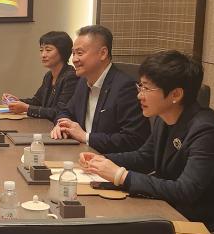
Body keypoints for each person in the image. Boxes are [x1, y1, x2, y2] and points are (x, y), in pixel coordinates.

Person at [80, 51, 214, 234]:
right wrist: (102, 160)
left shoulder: (207, 131)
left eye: (147, 88)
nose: (139, 95)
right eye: (140, 86)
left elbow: (185, 190)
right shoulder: (166, 118)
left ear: (176, 94)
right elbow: (145, 157)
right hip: (178, 216)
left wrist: (121, 176)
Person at [50, 25, 150, 153]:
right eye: (73, 53)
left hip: (108, 159)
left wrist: (86, 137)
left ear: (103, 53)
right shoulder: (83, 82)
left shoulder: (125, 87)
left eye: (80, 53)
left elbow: (133, 139)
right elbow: (66, 111)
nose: (74, 59)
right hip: (81, 153)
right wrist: (62, 125)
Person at [3, 31, 77, 120]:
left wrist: (27, 108)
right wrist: (17, 101)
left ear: (62, 51)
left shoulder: (71, 77)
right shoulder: (49, 76)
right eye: (41, 50)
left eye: (48, 50)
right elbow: (37, 101)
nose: (43, 55)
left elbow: (59, 111)